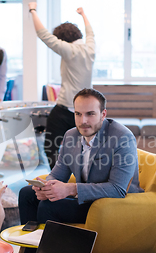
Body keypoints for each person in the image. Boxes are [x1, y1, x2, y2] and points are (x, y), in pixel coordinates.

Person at [19, 88, 142, 224]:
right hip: (86, 199)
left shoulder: (122, 137)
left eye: (90, 114)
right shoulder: (71, 136)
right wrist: (46, 187)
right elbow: (58, 174)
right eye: (78, 114)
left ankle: (51, 245)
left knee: (49, 206)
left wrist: (71, 189)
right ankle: (31, 245)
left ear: (103, 114)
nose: (83, 121)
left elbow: (118, 189)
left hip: (113, 204)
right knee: (27, 194)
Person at [28, 2, 95, 169]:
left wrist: (33, 10)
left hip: (66, 109)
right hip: (85, 111)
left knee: (51, 147)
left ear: (62, 39)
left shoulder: (68, 50)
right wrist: (83, 15)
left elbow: (43, 35)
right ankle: (77, 181)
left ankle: (58, 181)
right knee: (81, 150)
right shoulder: (90, 49)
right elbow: (90, 33)